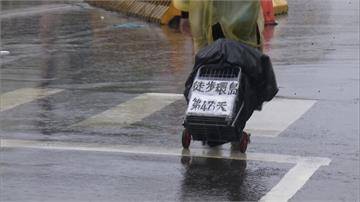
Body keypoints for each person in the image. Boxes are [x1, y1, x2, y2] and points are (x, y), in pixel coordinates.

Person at [172, 0, 264, 53]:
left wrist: (185, 15)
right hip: (244, 15)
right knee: (248, 57)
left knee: (209, 62)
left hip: (208, 18)